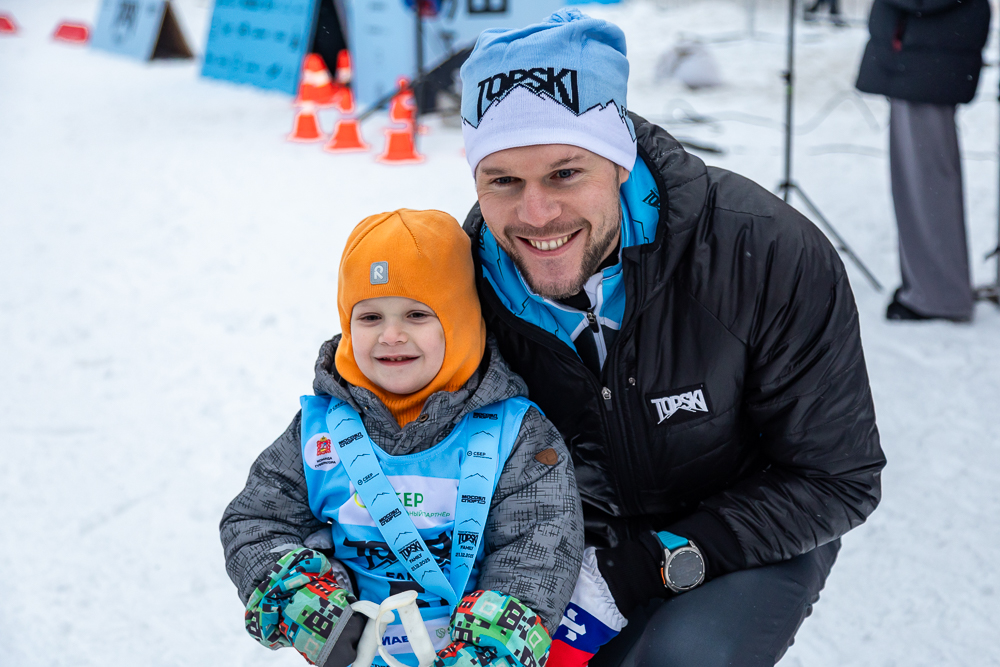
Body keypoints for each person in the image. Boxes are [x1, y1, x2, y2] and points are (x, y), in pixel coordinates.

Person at [458, 9, 886, 666]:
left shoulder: (767, 250)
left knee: (681, 657)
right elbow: (378, 422)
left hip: (745, 529)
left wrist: (644, 567)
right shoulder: (461, 283)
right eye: (504, 181)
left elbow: (835, 476)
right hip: (559, 540)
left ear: (619, 159)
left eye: (565, 173)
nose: (536, 213)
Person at [220, 209, 583, 667]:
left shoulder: (517, 435)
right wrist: (311, 610)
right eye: (370, 316)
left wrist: (484, 653)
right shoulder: (319, 433)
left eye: (416, 314)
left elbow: (539, 548)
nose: (391, 336)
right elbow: (255, 523)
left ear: (461, 320)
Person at [856, 0, 991, 321]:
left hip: (928, 60)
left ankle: (939, 296)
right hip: (924, 58)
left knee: (926, 182)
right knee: (921, 180)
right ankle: (932, 289)